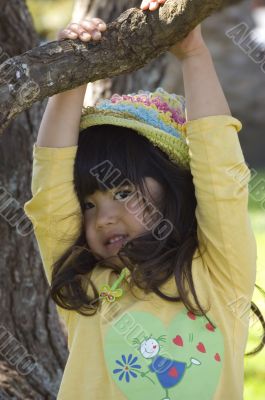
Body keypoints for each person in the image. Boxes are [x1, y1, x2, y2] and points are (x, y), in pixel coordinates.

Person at [23, 0, 265, 399]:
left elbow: (221, 177)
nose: (103, 218)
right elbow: (50, 189)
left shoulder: (217, 271)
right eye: (88, 203)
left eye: (123, 192)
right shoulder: (82, 284)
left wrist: (193, 53)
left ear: (172, 187)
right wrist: (73, 71)